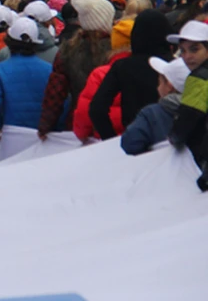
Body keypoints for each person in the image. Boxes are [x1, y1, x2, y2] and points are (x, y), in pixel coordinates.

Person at [38, 0, 114, 139]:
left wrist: (45, 126)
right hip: (114, 124)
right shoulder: (117, 49)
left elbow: (55, 93)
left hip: (78, 123)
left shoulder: (68, 50)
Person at [88, 10, 172, 141]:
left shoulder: (122, 66)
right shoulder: (176, 65)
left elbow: (97, 108)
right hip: (172, 142)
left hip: (136, 139)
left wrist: (111, 140)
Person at [0, 18, 54, 139]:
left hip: (11, 134)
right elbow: (62, 102)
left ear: (9, 41)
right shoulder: (50, 70)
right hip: (44, 136)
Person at [72, 17, 133, 142]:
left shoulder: (100, 74)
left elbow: (84, 114)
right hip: (143, 145)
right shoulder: (152, 69)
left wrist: (82, 134)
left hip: (106, 144)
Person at [168, 21, 208, 191]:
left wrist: (174, 136)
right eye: (182, 51)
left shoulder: (199, 78)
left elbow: (188, 117)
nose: (187, 57)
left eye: (194, 49)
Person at [122, 56, 189, 155]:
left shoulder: (152, 114)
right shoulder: (201, 108)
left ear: (169, 86)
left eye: (160, 82)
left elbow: (129, 144)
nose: (158, 87)